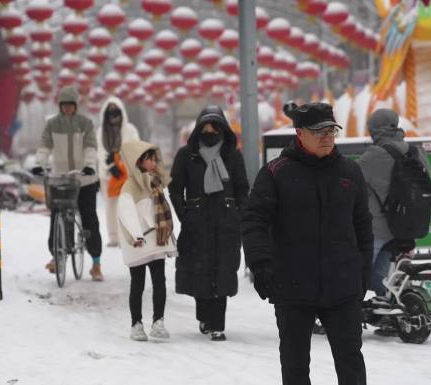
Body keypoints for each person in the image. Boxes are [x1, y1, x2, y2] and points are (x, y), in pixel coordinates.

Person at [241, 102, 373, 385]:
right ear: (299, 133)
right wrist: (261, 264)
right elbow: (254, 221)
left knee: (351, 361)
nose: (327, 136)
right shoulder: (276, 173)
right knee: (295, 364)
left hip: (342, 286)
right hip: (292, 287)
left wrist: (362, 273)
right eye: (319, 131)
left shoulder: (350, 172)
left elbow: (363, 225)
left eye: (331, 130)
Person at [169, 105, 249, 342]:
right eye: (205, 126)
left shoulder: (232, 155)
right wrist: (185, 213)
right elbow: (175, 188)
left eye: (215, 126)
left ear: (223, 128)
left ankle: (217, 324)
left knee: (222, 270)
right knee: (199, 270)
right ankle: (204, 315)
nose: (210, 131)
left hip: (226, 222)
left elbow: (242, 187)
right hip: (197, 222)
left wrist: (239, 212)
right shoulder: (187, 155)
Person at [357, 109, 431, 334]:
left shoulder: (373, 155)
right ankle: (389, 317)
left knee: (354, 273)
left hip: (377, 229)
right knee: (382, 276)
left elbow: (351, 182)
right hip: (409, 228)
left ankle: (345, 319)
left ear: (375, 129)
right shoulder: (417, 152)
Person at [32, 86, 103, 280]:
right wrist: (39, 164)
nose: (68, 109)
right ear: (60, 106)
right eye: (64, 105)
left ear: (76, 106)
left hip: (85, 179)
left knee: (89, 219)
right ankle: (57, 255)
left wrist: (89, 165)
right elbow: (45, 146)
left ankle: (96, 263)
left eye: (71, 105)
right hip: (61, 179)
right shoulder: (52, 125)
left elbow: (90, 148)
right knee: (57, 216)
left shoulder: (86, 123)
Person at [117, 140, 176, 341]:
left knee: (160, 281)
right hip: (139, 243)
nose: (152, 163)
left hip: (156, 241)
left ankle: (158, 321)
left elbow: (163, 212)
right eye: (148, 159)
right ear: (137, 161)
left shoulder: (156, 182)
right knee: (138, 283)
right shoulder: (130, 187)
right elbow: (126, 213)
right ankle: (136, 324)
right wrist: (136, 235)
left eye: (153, 159)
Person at [96, 97, 140, 254]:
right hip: (107, 175)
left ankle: (125, 236)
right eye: (110, 111)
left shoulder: (130, 130)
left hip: (125, 174)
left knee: (126, 206)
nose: (113, 115)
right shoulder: (101, 131)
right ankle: (113, 236)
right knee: (110, 206)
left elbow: (135, 149)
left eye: (116, 111)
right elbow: (100, 151)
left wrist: (122, 164)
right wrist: (110, 166)